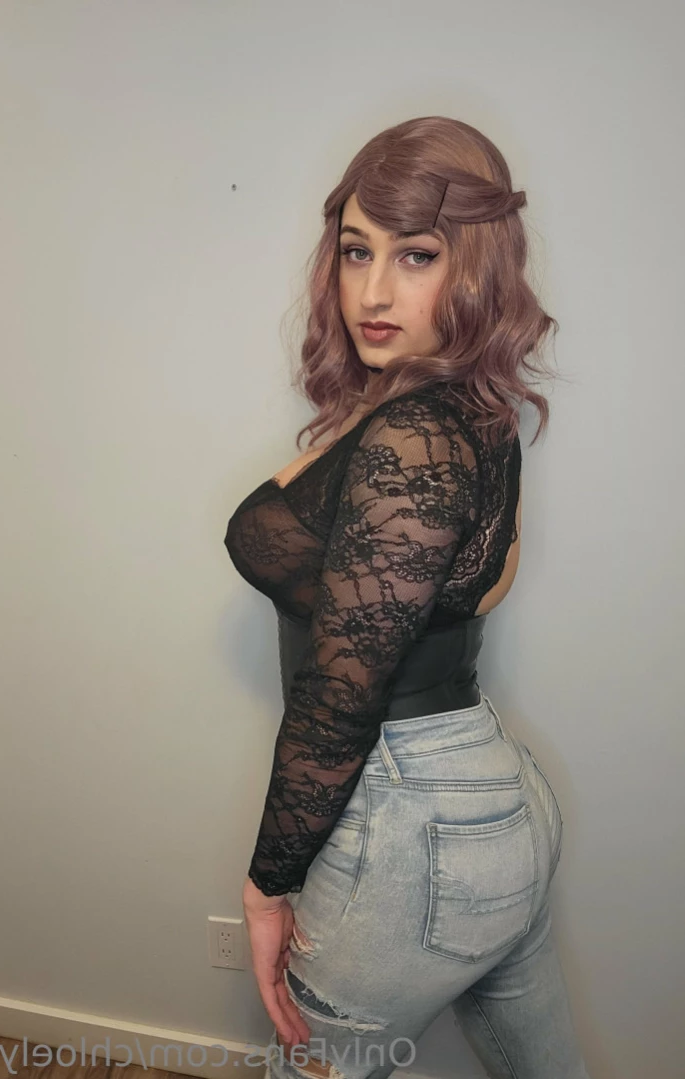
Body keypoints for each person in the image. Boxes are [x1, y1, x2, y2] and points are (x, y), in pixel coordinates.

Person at [224, 116, 591, 1079]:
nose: (373, 291)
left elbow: (340, 696)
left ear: (475, 265)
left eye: (416, 255)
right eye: (357, 251)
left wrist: (266, 886)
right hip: (492, 798)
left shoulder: (414, 437)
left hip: (408, 814)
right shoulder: (469, 410)